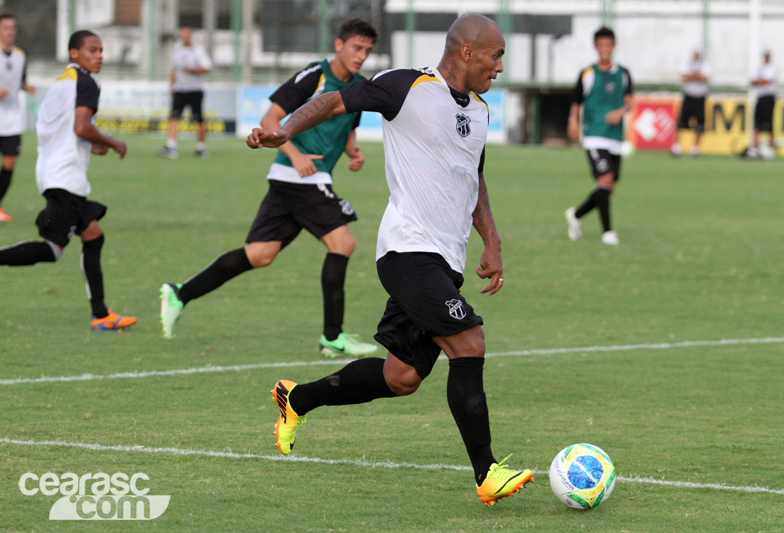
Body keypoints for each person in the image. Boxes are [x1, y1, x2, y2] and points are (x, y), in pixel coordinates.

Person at [247, 14, 533, 506]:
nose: (500, 67)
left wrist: (492, 240)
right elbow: (336, 100)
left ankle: (298, 398)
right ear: (467, 52)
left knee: (400, 378)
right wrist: (284, 130)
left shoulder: (482, 111)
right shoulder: (407, 86)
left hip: (446, 259)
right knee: (469, 342)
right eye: (496, 55)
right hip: (407, 251)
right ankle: (487, 473)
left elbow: (474, 179)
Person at [160, 19, 379, 357]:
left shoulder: (358, 87)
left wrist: (353, 152)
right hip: (301, 177)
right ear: (339, 45)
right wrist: (295, 154)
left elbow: (348, 126)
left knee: (260, 255)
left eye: (367, 50)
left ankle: (180, 293)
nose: (362, 55)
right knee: (343, 243)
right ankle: (333, 338)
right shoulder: (315, 76)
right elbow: (269, 119)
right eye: (357, 47)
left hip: (294, 181)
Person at [0, 30, 136, 330]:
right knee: (52, 250)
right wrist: (111, 142)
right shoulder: (86, 82)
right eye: (92, 50)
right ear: (74, 53)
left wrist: (93, 142)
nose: (99, 55)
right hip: (65, 177)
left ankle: (101, 315)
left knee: (93, 236)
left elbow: (63, 128)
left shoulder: (63, 80)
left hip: (54, 171)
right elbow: (80, 126)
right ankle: (100, 315)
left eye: (101, 50)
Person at [565, 26, 633, 246]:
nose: (604, 49)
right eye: (600, 45)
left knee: (609, 187)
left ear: (614, 46)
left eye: (608, 44)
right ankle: (608, 232)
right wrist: (573, 120)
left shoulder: (623, 73)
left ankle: (575, 215)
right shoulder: (588, 73)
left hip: (615, 137)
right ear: (596, 47)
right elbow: (576, 101)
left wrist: (620, 112)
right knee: (605, 181)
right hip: (594, 135)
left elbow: (629, 101)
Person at [0, 12, 36, 222]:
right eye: (6, 27)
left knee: (10, 163)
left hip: (12, 120)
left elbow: (20, 79)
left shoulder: (21, 54)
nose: (10, 31)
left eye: (13, 27)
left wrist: (25, 86)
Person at [158, 26, 212, 159]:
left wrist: (193, 70)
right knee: (174, 117)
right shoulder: (177, 51)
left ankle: (200, 147)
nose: (185, 37)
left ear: (191, 35)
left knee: (198, 119)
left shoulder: (198, 51)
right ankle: (171, 146)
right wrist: (172, 86)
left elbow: (208, 68)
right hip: (180, 90)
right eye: (182, 34)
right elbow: (174, 70)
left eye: (187, 34)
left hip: (195, 90)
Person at [671, 48, 710, 157]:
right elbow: (684, 77)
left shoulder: (705, 64)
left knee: (700, 124)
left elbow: (706, 78)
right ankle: (676, 147)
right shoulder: (687, 64)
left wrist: (692, 76)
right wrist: (696, 75)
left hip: (700, 97)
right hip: (688, 96)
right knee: (681, 122)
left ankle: (695, 149)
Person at [745, 50, 778, 160]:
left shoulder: (772, 67)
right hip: (760, 97)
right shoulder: (759, 67)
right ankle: (754, 149)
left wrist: (758, 81)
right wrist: (759, 81)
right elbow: (753, 81)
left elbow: (766, 81)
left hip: (768, 98)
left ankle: (771, 148)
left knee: (769, 124)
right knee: (757, 124)